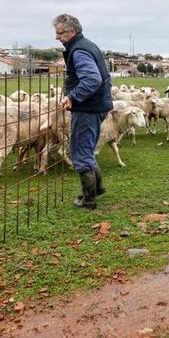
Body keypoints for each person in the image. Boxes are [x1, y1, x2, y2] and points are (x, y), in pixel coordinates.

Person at [53, 14, 113, 209]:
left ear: (72, 31)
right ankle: (97, 188)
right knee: (86, 149)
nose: (57, 37)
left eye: (60, 33)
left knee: (80, 151)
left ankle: (88, 199)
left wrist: (72, 96)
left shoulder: (79, 51)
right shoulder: (88, 45)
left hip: (87, 108)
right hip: (96, 106)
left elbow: (92, 79)